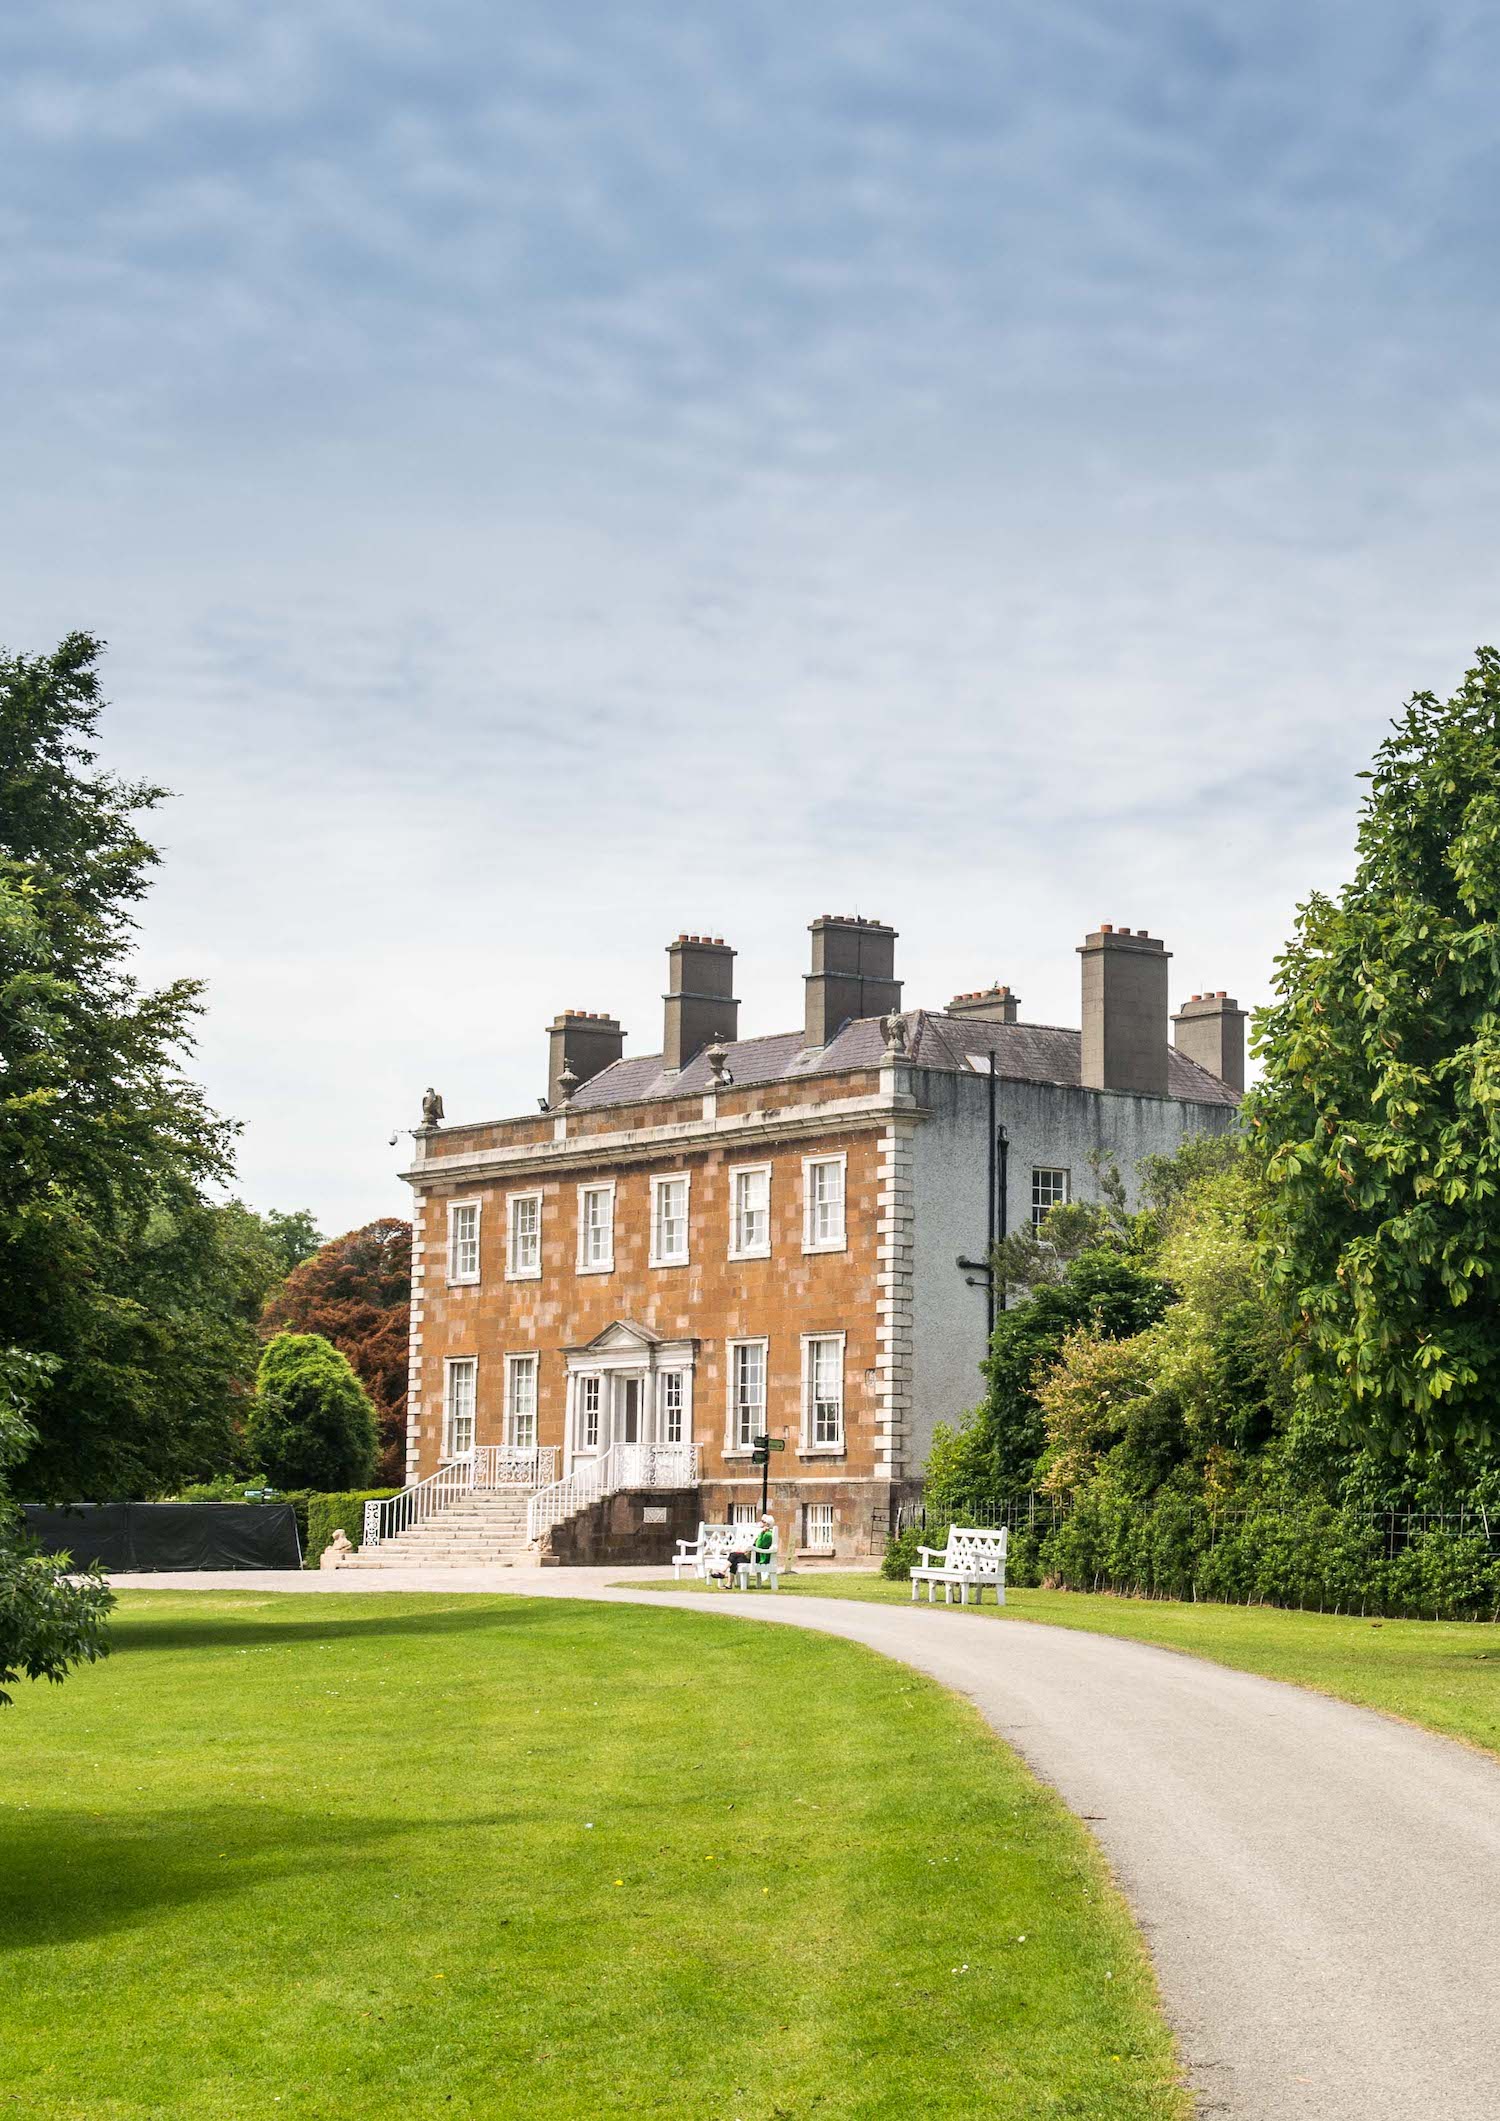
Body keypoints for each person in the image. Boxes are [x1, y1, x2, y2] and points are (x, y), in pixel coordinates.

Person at [724, 1515, 776, 1586]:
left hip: (758, 1558)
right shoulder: (765, 1533)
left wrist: (761, 1534)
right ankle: (728, 1582)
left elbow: (759, 1545)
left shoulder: (768, 1535)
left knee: (733, 1556)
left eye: (763, 1522)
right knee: (734, 1558)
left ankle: (724, 1574)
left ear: (767, 1524)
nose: (761, 1523)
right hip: (754, 1555)